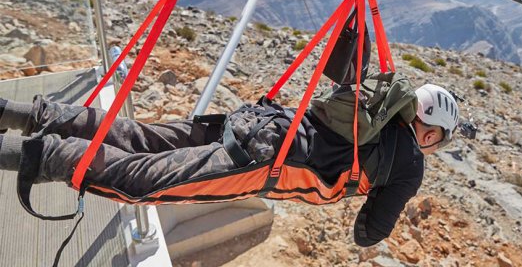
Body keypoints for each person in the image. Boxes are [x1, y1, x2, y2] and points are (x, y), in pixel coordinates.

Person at [0, 82, 458, 247]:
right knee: (138, 182)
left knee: (136, 136)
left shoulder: (373, 105)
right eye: (435, 141)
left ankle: (16, 112)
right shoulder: (410, 163)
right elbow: (368, 235)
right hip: (262, 160)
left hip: (252, 122)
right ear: (431, 131)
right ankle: (44, 155)